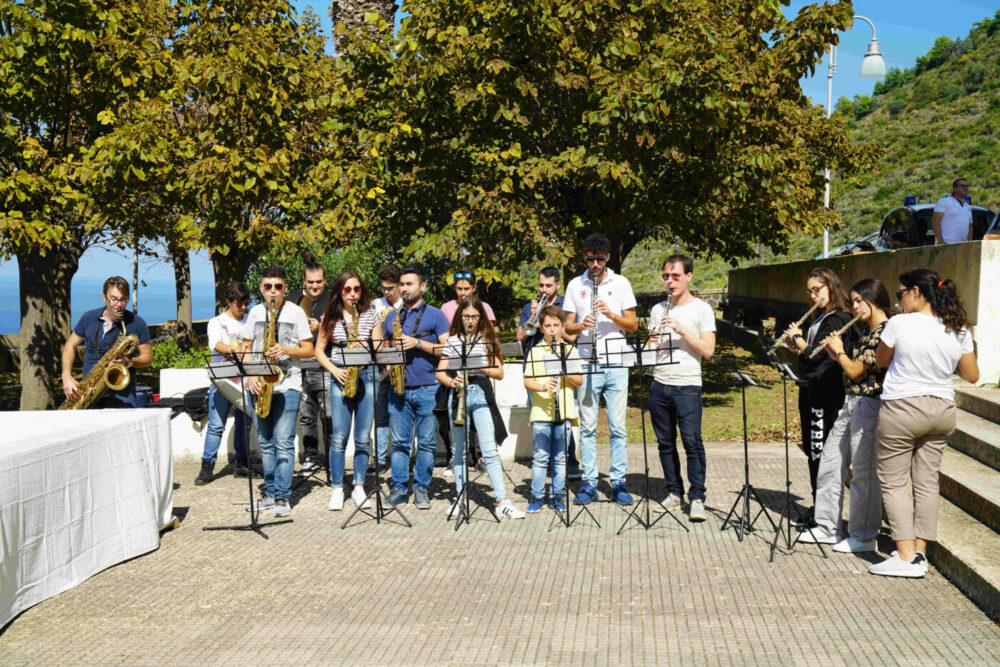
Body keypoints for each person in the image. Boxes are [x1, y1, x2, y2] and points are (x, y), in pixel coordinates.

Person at [869, 269, 978, 578]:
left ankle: (904, 557)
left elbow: (881, 360)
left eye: (900, 293)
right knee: (927, 482)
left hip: (903, 407)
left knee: (894, 481)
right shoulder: (957, 328)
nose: (898, 300)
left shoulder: (899, 323)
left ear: (916, 292)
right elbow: (972, 375)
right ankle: (919, 553)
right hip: (942, 409)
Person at [798, 278, 891, 549]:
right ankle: (827, 526)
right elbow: (850, 368)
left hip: (870, 405)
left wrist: (838, 352)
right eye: (853, 302)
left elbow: (854, 371)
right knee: (829, 463)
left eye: (860, 301)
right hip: (851, 402)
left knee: (862, 473)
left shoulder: (885, 333)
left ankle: (863, 535)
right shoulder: (866, 331)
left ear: (873, 300)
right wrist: (831, 352)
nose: (856, 307)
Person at [564, 233, 639, 505]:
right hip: (586, 360)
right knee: (587, 427)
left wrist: (610, 314)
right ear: (583, 257)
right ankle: (589, 482)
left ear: (608, 257)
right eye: (590, 259)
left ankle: (618, 481)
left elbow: (633, 325)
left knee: (618, 426)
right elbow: (566, 328)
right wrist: (580, 325)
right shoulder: (575, 284)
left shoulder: (621, 283)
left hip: (617, 362)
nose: (594, 265)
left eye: (599, 259)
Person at [436, 295, 523, 519]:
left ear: (480, 318)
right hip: (458, 394)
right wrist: (451, 380)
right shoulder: (454, 341)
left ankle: (502, 500)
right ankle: (460, 497)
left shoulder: (487, 341)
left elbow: (500, 373)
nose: (470, 320)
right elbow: (440, 372)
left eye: (474, 316)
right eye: (466, 316)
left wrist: (483, 367)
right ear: (460, 317)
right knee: (458, 450)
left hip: (480, 394)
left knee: (489, 450)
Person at [781, 267, 855, 527]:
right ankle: (818, 506)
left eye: (817, 290)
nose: (813, 296)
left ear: (830, 287)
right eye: (810, 291)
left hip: (825, 394)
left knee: (820, 451)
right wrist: (795, 345)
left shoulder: (837, 319)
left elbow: (818, 357)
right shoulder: (822, 317)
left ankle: (824, 513)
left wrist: (799, 339)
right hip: (811, 390)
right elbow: (807, 355)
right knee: (813, 451)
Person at [646, 255, 716, 522]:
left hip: (687, 385)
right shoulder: (657, 309)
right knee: (665, 443)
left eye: (675, 276)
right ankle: (674, 493)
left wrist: (682, 329)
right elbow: (651, 351)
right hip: (660, 383)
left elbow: (708, 351)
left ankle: (697, 497)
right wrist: (651, 342)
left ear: (689, 276)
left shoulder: (702, 309)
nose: (670, 281)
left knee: (692, 443)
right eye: (666, 276)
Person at [240, 267, 314, 518]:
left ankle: (283, 496)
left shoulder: (296, 312)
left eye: (278, 287)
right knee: (265, 443)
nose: (273, 291)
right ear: (261, 288)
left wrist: (286, 350)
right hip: (259, 384)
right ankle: (269, 494)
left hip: (288, 382)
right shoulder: (255, 312)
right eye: (268, 286)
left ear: (285, 288)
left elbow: (308, 350)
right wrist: (250, 375)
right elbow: (246, 347)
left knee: (283, 442)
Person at [381, 266, 450, 509]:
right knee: (399, 443)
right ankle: (399, 488)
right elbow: (385, 351)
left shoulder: (436, 315)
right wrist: (389, 364)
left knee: (427, 443)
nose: (404, 288)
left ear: (423, 286)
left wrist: (418, 343)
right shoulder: (391, 317)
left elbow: (447, 350)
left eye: (409, 283)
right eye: (402, 284)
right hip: (399, 388)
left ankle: (422, 487)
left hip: (428, 387)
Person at [315, 271, 381, 511]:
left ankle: (359, 486)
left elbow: (379, 348)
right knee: (339, 436)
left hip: (366, 375)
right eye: (347, 289)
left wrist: (367, 346)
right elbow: (319, 351)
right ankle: (336, 488)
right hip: (340, 375)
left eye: (357, 289)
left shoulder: (371, 315)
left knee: (363, 437)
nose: (353, 294)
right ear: (339, 292)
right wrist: (334, 370)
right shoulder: (329, 317)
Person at [518, 266, 581, 479]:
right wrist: (534, 316)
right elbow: (520, 335)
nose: (543, 289)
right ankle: (543, 462)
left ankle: (569, 462)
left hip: (561, 363)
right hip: (536, 364)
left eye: (548, 285)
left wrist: (550, 324)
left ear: (557, 285)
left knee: (564, 415)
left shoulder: (566, 305)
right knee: (540, 417)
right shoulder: (530, 306)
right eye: (541, 285)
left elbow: (572, 337)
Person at [522, 305, 582, 513]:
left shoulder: (570, 351)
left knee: (560, 457)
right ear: (541, 327)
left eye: (556, 326)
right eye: (548, 326)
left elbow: (579, 381)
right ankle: (537, 496)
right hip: (541, 412)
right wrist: (542, 386)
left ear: (562, 326)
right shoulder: (535, 351)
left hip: (564, 410)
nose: (552, 330)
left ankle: (558, 496)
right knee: (540, 456)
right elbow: (527, 381)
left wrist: (564, 371)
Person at [437, 268, 497, 475]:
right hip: (455, 366)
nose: (462, 293)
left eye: (466, 289)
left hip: (478, 370)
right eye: (459, 288)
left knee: (482, 413)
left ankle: (481, 456)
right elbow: (447, 336)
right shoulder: (446, 307)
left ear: (474, 288)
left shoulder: (484, 307)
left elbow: (490, 335)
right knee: (456, 414)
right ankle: (457, 456)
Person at [61, 276, 152, 408]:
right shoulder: (88, 318)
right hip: (89, 393)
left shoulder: (137, 323)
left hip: (123, 396)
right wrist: (66, 376)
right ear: (104, 298)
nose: (119, 304)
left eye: (123, 299)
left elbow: (148, 358)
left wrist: (129, 362)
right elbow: (70, 345)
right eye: (114, 299)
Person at [196, 281, 253, 485]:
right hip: (222, 381)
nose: (243, 308)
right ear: (229, 302)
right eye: (239, 304)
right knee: (216, 425)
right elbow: (216, 344)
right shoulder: (217, 322)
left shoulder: (250, 320)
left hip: (244, 380)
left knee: (244, 424)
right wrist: (235, 350)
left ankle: (242, 463)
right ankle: (207, 466)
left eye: (246, 303)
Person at [287, 253, 332, 473]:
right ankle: (311, 456)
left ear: (325, 281)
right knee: (306, 415)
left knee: (329, 415)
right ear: (304, 281)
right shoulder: (293, 299)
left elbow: (344, 331)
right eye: (310, 282)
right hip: (300, 366)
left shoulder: (333, 300)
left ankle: (334, 458)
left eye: (319, 282)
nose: (315, 286)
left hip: (325, 366)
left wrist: (321, 328)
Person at [370, 264, 403, 472]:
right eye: (384, 288)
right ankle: (380, 459)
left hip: (401, 367)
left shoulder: (405, 304)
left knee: (402, 416)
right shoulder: (376, 304)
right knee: (380, 417)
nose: (387, 292)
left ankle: (405, 457)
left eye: (391, 288)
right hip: (381, 367)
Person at [932, 178, 973, 245]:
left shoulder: (967, 206)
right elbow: (935, 222)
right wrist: (940, 241)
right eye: (962, 186)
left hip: (962, 246)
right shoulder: (944, 201)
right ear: (954, 188)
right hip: (946, 244)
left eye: (967, 186)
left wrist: (969, 243)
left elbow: (970, 226)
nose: (965, 188)